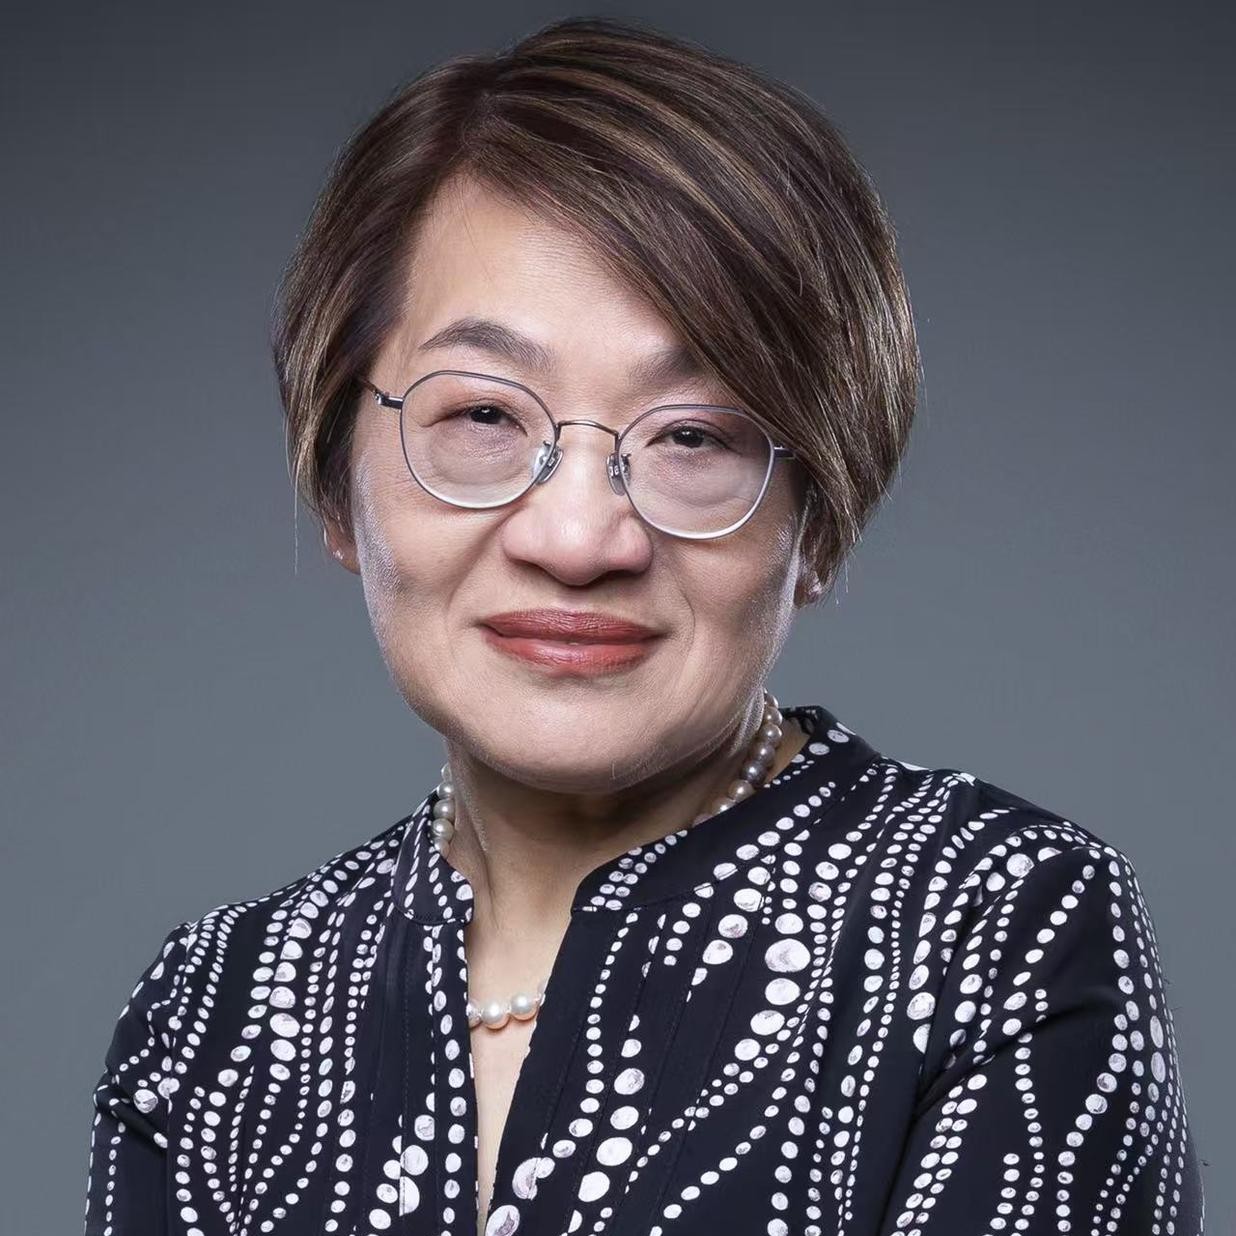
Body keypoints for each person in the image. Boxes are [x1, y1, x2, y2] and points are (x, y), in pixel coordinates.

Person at [82, 16, 1204, 1236]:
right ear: (334, 483)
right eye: (484, 418)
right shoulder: (215, 1015)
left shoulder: (990, 921)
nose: (578, 540)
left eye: (693, 436)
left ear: (820, 518)